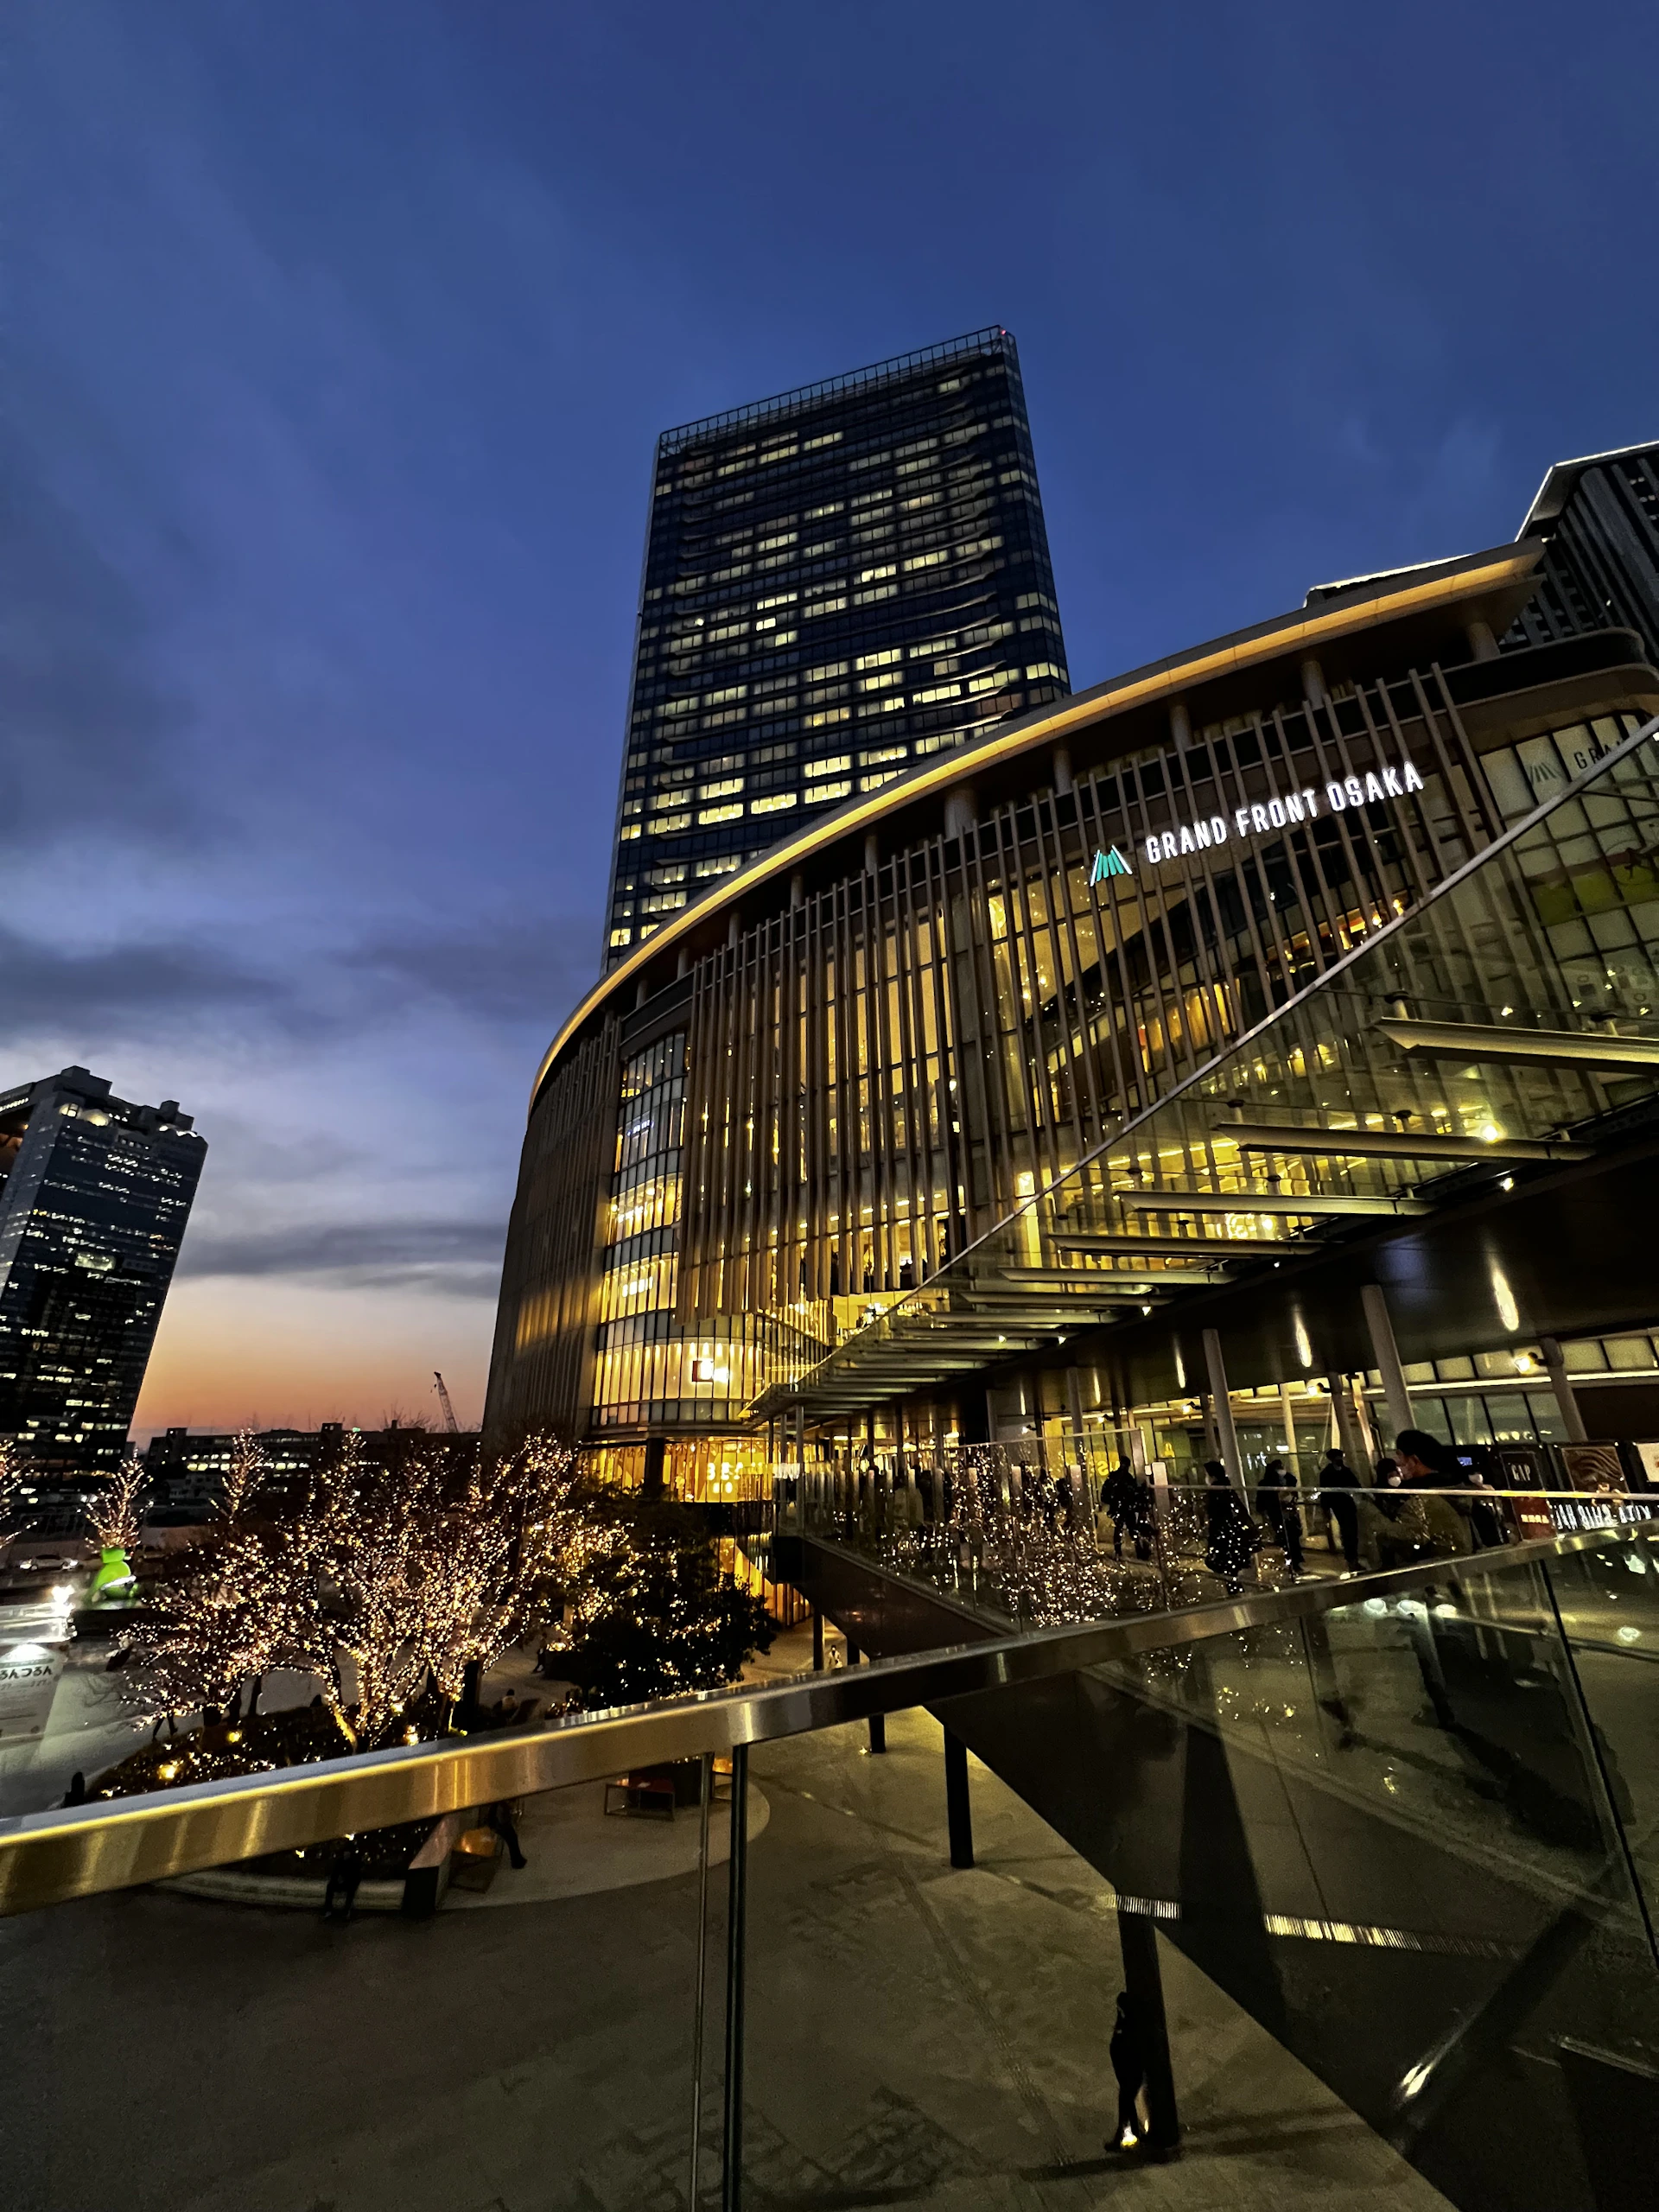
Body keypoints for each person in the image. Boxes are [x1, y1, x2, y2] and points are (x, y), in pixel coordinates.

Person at [1385, 1429, 1473, 1563]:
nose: (1397, 1463)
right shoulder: (1462, 1492)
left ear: (1414, 1460)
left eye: (1400, 1455)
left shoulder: (1419, 1501)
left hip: (1434, 1574)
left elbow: (1406, 1544)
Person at [1203, 1461, 1255, 1594]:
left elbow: (1215, 1517)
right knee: (1231, 1571)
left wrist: (1212, 1538)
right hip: (1232, 1536)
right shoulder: (1227, 1488)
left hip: (1223, 1537)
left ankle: (1236, 1595)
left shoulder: (1216, 1492)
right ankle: (1237, 1593)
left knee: (1227, 1571)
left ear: (1212, 1476)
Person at [1107, 1991, 1147, 2152]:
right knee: (1126, 2103)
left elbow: (1127, 2050)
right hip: (1128, 2072)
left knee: (1125, 2104)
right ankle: (1134, 2134)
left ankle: (1121, 2138)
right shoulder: (1128, 2023)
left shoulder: (1128, 2027)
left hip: (1129, 2072)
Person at [1318, 1445, 1362, 1572]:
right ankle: (1351, 1559)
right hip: (1339, 1505)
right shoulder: (1327, 1474)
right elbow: (1325, 1492)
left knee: (1352, 1532)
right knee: (1348, 1531)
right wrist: (1326, 1508)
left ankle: (1353, 1559)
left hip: (1347, 1504)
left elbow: (1356, 1485)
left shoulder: (1345, 1471)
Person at [1103, 1459, 1140, 1560]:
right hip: (1125, 1507)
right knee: (1131, 1529)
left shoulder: (1116, 1477)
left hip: (1120, 1507)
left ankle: (1118, 1550)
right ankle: (1136, 1549)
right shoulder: (1127, 1478)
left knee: (1120, 1528)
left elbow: (1106, 1491)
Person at [321, 1837, 364, 1923]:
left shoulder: (354, 1862)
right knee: (330, 1887)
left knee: (351, 1890)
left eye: (347, 1853)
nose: (346, 1854)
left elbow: (355, 1876)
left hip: (349, 1882)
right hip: (342, 1882)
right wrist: (337, 1880)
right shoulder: (340, 1861)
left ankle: (346, 1911)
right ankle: (328, 1910)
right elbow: (335, 1873)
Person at [486, 1801, 528, 1871]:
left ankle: (517, 1859)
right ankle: (517, 1861)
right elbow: (501, 1817)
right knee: (512, 1839)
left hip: (499, 1824)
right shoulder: (500, 1805)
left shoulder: (499, 1803)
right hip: (500, 1825)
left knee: (512, 1839)